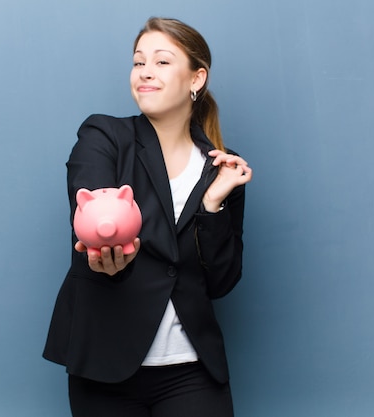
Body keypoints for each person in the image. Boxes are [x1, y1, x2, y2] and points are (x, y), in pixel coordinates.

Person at [43, 17, 253, 417]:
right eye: (139, 63)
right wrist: (105, 246)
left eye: (161, 62)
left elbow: (222, 282)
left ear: (197, 79)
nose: (145, 73)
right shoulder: (103, 136)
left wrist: (211, 205)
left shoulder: (222, 171)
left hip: (193, 370)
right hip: (107, 366)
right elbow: (94, 212)